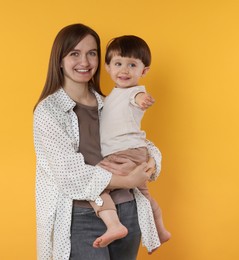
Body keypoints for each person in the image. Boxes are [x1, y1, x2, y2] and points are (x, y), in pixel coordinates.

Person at [33, 24, 162, 260]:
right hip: (78, 217)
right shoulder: (49, 111)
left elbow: (134, 139)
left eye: (91, 53)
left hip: (127, 210)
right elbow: (68, 173)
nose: (84, 61)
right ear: (59, 60)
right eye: (74, 53)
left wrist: (153, 160)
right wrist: (128, 178)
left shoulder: (108, 102)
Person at [89, 35, 171, 251]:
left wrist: (142, 101)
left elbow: (137, 99)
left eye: (132, 65)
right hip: (134, 153)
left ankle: (114, 225)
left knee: (93, 182)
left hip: (124, 154)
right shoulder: (109, 98)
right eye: (118, 64)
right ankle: (161, 230)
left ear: (143, 71)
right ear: (107, 67)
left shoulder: (134, 92)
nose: (124, 70)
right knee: (144, 196)